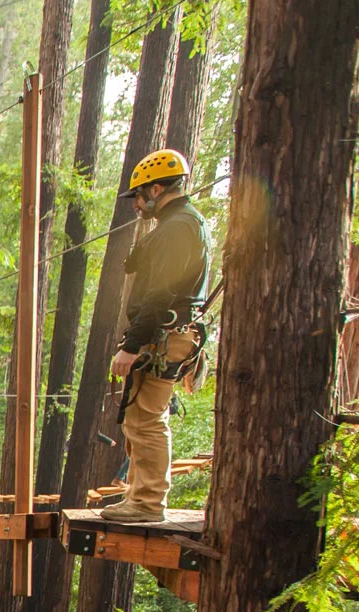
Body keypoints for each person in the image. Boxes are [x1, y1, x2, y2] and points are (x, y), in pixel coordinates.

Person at [103, 149, 209, 524]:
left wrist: (131, 347)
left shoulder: (179, 227)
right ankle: (138, 497)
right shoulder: (174, 225)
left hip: (164, 334)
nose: (136, 206)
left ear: (157, 189)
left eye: (139, 197)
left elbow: (159, 294)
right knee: (139, 417)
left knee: (146, 418)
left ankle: (147, 503)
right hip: (164, 332)